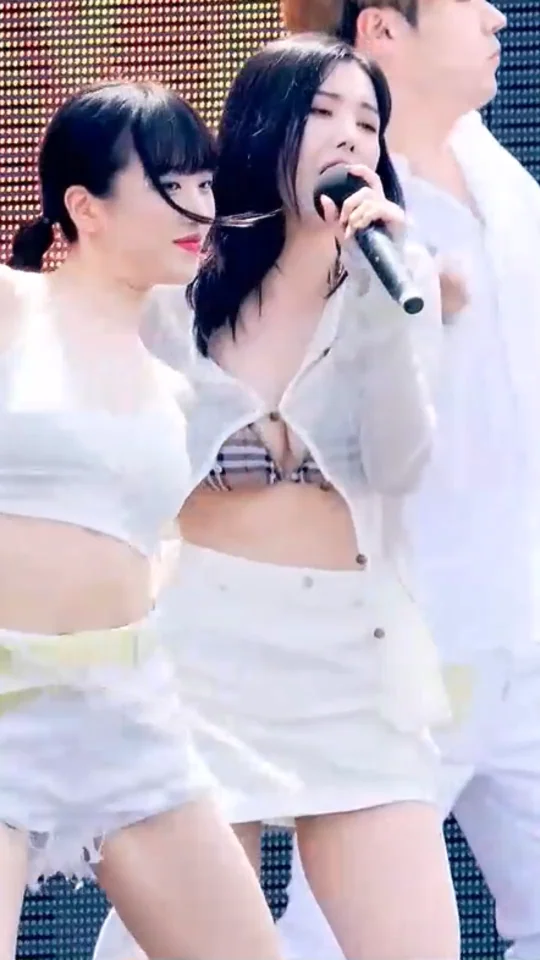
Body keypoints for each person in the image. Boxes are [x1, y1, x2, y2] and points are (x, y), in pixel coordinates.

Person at [95, 33, 460, 960]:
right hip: (200, 655)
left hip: (352, 657)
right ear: (266, 125)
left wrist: (381, 296)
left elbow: (400, 461)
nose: (351, 136)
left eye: (368, 121)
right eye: (323, 112)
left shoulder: (395, 273)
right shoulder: (183, 285)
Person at [272, 4, 540, 960]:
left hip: (522, 631)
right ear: (384, 29)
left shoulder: (503, 177)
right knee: (343, 938)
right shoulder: (324, 202)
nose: (498, 14)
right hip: (400, 646)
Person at [0, 79, 284, 960]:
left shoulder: (177, 384)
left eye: (203, 182)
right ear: (84, 206)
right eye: (170, 184)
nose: (199, 206)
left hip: (125, 709)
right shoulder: (11, 307)